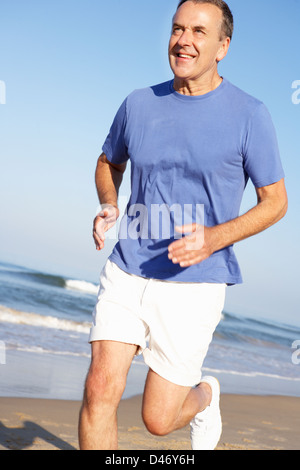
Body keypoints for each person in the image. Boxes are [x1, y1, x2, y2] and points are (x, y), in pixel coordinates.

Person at [78, 0, 288, 450]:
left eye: (198, 31)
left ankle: (206, 396)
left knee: (157, 418)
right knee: (99, 391)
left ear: (222, 46)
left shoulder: (250, 114)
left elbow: (275, 203)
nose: (183, 41)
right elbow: (108, 162)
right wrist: (109, 203)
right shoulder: (138, 103)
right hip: (129, 266)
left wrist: (214, 238)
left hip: (196, 281)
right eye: (177, 29)